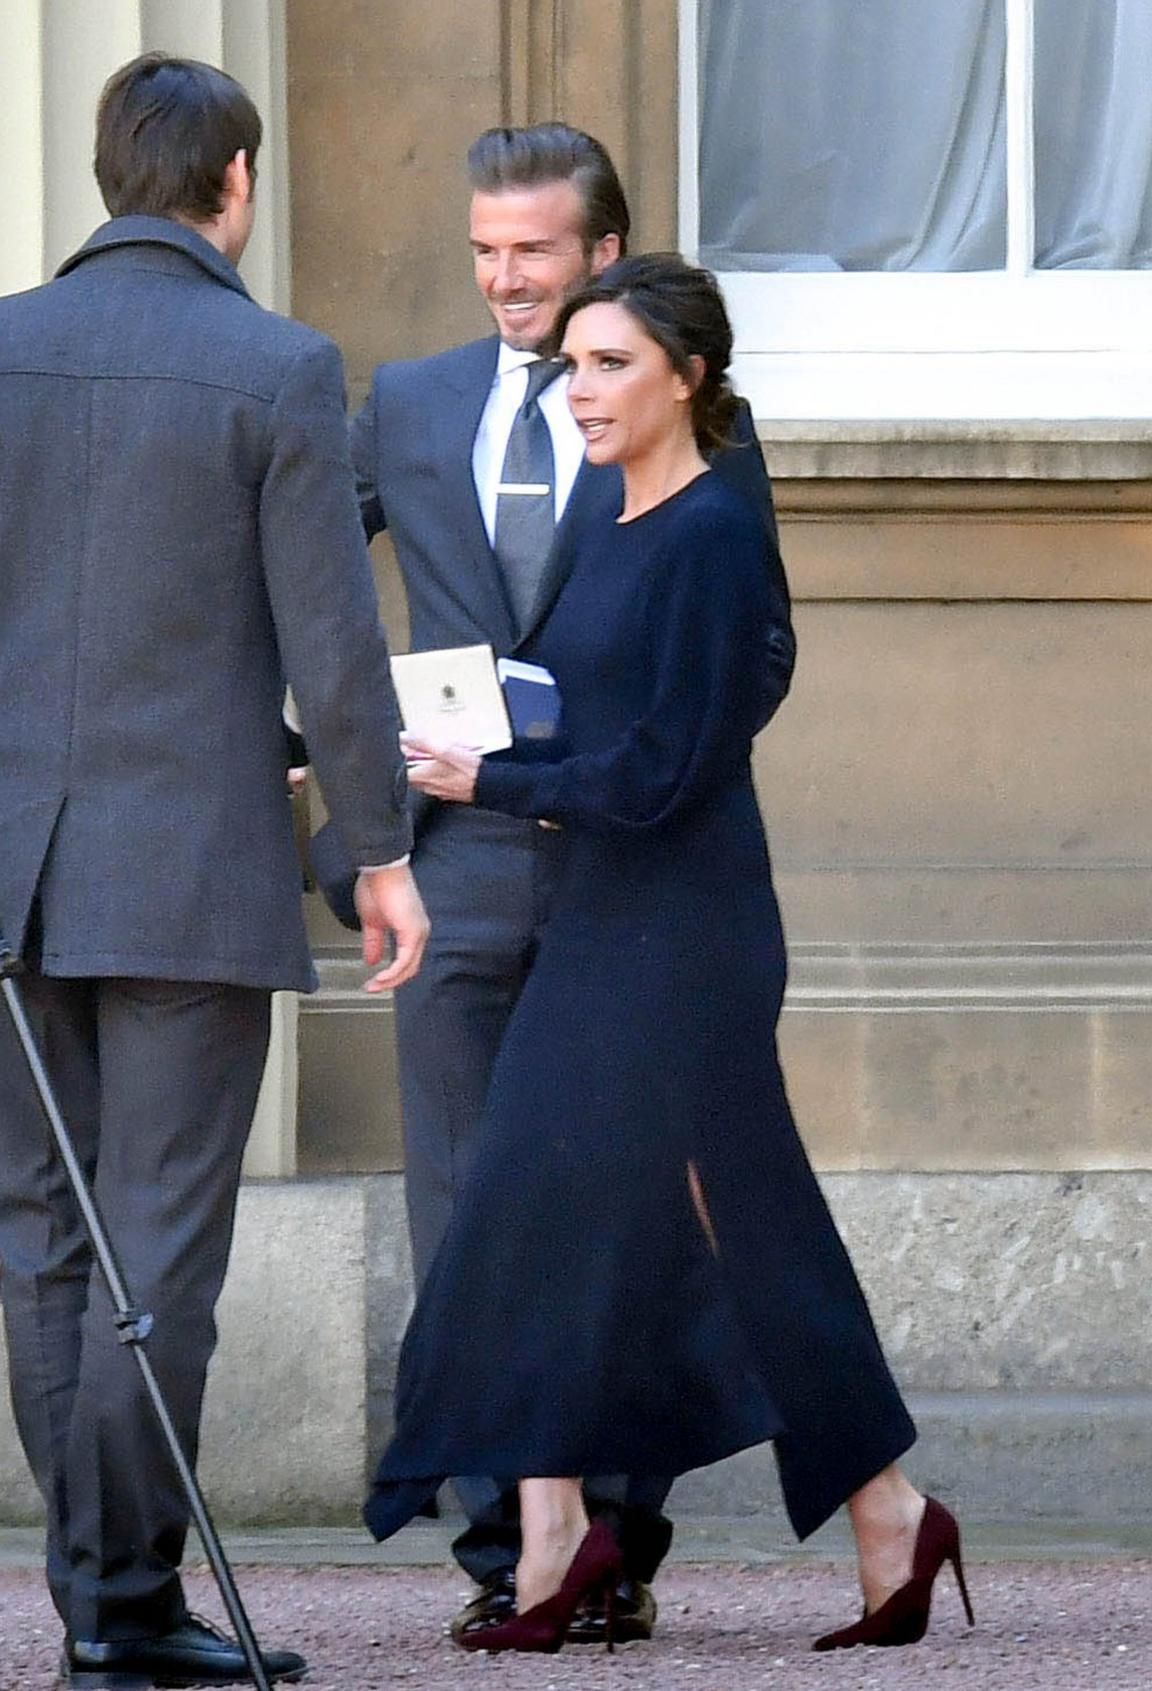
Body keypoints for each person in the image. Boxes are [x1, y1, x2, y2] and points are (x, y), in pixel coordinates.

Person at [364, 255, 974, 1657]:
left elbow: (664, 772)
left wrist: (491, 784)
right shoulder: (613, 514)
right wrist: (473, 737)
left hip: (685, 939)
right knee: (630, 1224)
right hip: (608, 922)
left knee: (588, 1210)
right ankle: (854, 1513)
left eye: (610, 364)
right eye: (571, 364)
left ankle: (596, 1530)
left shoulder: (709, 532)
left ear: (687, 378)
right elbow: (601, 724)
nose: (579, 389)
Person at [334, 120, 794, 1645]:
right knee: (465, 1204)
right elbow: (297, 586)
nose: (503, 279)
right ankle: (505, 1548)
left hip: (629, 873)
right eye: (483, 249)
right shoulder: (407, 404)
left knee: (634, 1205)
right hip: (455, 865)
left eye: (532, 250)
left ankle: (619, 1536)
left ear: (604, 255)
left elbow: (759, 651)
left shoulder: (694, 418)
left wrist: (647, 764)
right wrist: (329, 785)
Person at [0, 53, 428, 1689]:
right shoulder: (278, 366)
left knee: (49, 1247)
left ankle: (102, 1610)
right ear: (233, 184)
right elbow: (335, 646)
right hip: (187, 872)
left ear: (112, 177)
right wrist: (379, 855)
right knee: (157, 1251)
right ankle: (119, 1614)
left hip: (16, 882)